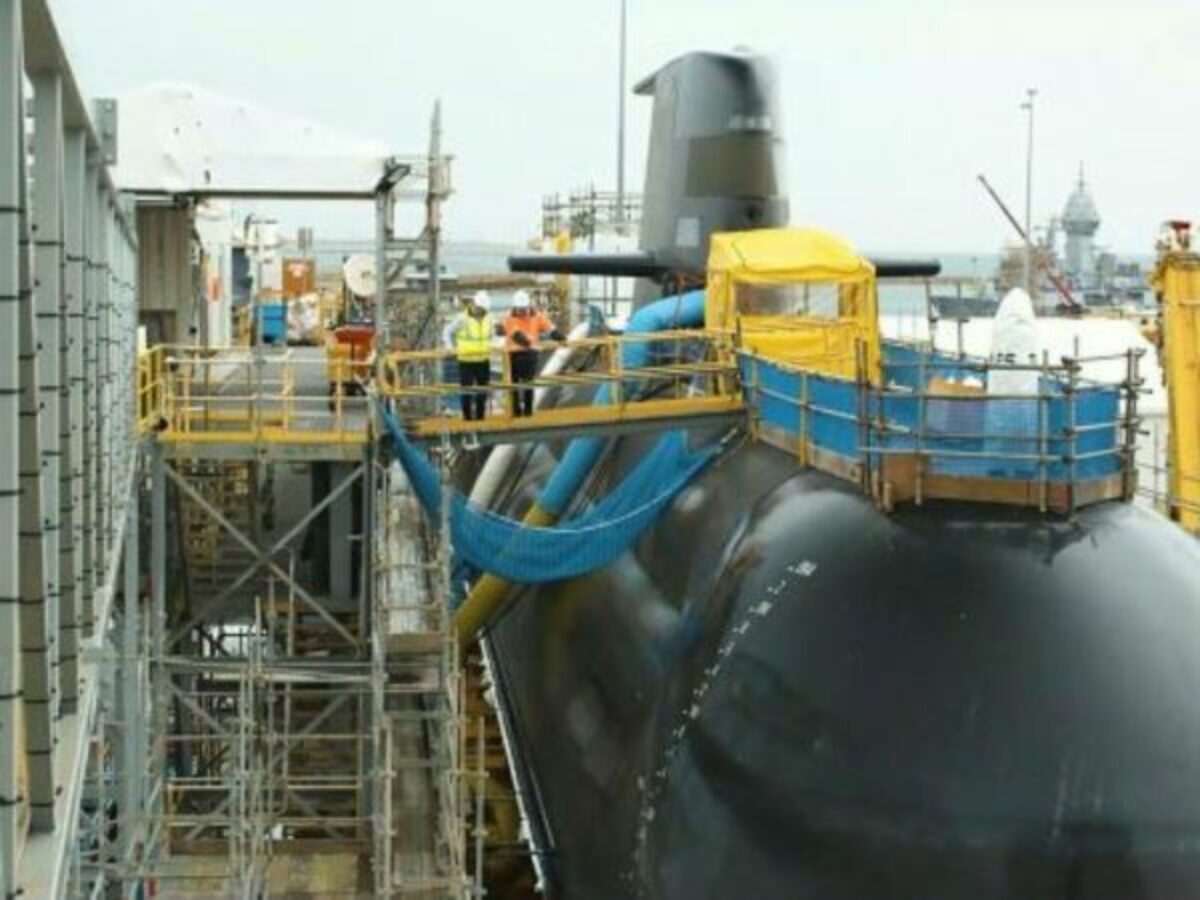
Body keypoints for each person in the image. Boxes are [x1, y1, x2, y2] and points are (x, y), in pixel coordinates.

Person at [501, 290, 563, 417]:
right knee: (513, 385)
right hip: (513, 356)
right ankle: (516, 411)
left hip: (530, 355)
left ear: (528, 306)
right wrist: (529, 343)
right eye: (519, 309)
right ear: (515, 307)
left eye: (523, 308)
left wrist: (558, 335)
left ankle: (528, 411)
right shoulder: (509, 317)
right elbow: (517, 336)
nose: (522, 312)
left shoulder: (536, 315)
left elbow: (549, 326)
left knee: (529, 384)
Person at [442, 291, 494, 421]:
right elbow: (447, 331)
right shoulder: (462, 319)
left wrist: (493, 346)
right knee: (466, 391)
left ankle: (480, 417)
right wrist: (449, 347)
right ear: (475, 305)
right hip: (466, 361)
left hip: (483, 360)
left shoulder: (489, 318)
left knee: (483, 391)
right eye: (480, 309)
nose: (481, 312)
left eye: (484, 310)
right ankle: (467, 418)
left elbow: (491, 336)